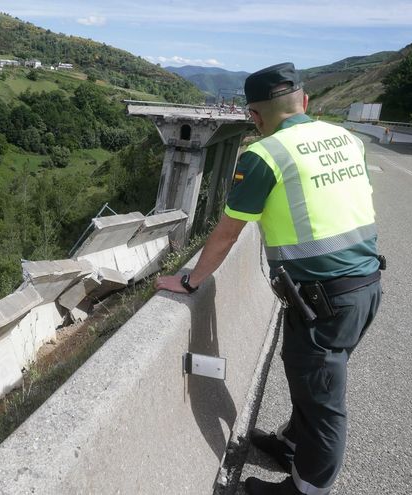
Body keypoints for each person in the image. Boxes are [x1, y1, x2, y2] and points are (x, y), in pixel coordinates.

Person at [155, 62, 382, 495]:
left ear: (255, 116)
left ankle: (306, 488)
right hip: (364, 287)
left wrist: (189, 280)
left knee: (323, 401)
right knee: (305, 372)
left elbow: (225, 234)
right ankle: (290, 444)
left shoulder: (265, 155)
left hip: (324, 297)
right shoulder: (348, 139)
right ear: (305, 102)